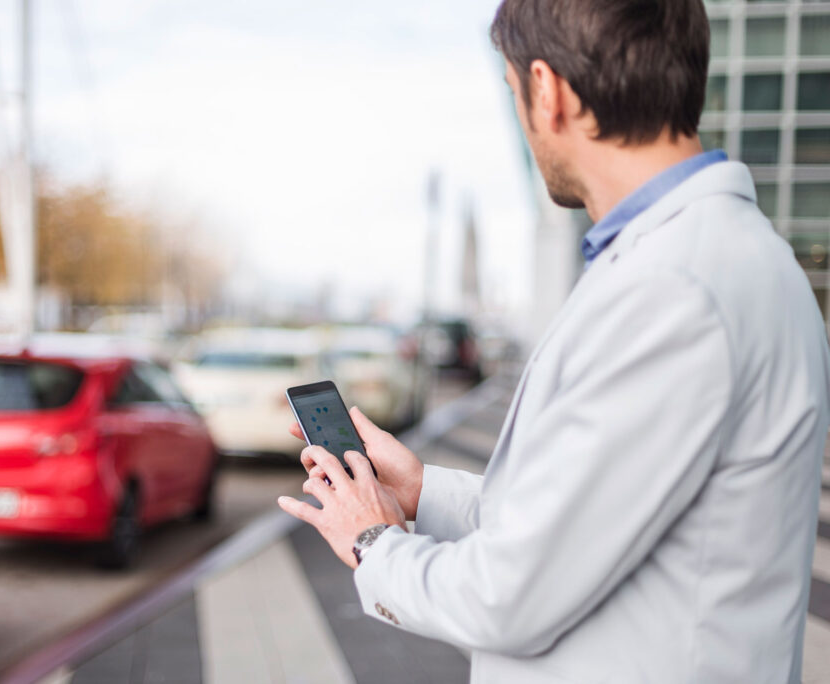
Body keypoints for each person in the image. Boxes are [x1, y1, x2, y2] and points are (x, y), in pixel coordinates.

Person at [277, 0, 830, 681]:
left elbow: (509, 595)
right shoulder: (716, 261)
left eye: (514, 93)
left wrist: (372, 540)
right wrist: (422, 490)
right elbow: (581, 519)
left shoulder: (675, 291)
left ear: (548, 90)